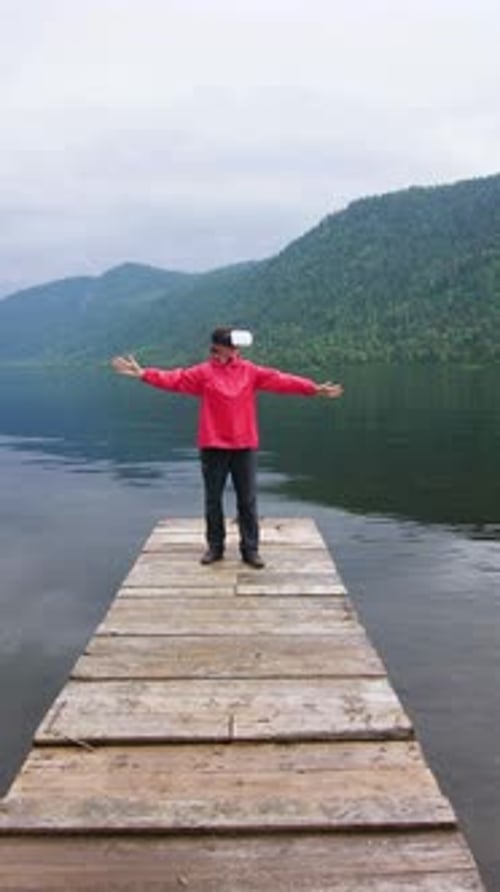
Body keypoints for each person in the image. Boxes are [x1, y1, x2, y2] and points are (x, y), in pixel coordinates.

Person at [111, 326, 343, 568]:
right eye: (231, 345)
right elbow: (174, 379)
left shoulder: (250, 371)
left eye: (236, 346)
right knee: (213, 500)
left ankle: (250, 550)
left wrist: (312, 388)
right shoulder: (203, 373)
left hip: (244, 445)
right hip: (213, 445)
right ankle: (215, 547)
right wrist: (143, 373)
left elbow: (280, 380)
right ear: (218, 346)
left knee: (247, 500)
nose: (235, 349)